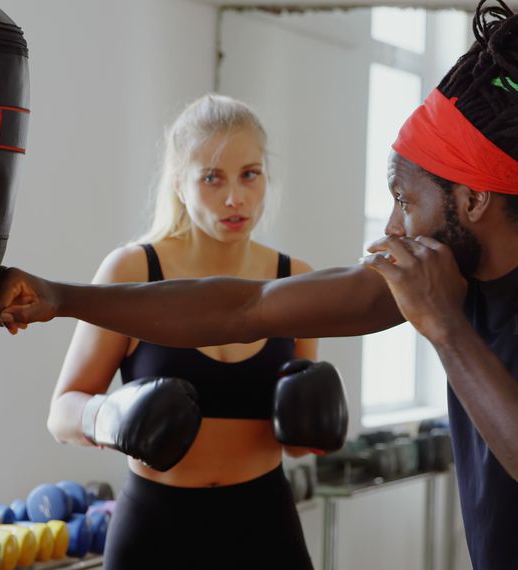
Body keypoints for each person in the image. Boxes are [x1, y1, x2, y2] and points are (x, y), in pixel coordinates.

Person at [0, 2, 518, 568]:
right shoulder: (441, 273)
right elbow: (243, 306)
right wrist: (61, 298)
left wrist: (444, 327)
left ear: (472, 201)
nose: (390, 227)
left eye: (405, 199)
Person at [43, 94, 341, 570]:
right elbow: (62, 412)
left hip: (264, 525)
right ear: (180, 184)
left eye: (250, 174)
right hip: (156, 528)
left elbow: (296, 443)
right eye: (211, 178)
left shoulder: (294, 280)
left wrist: (314, 426)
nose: (234, 198)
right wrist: (107, 416)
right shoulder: (134, 271)